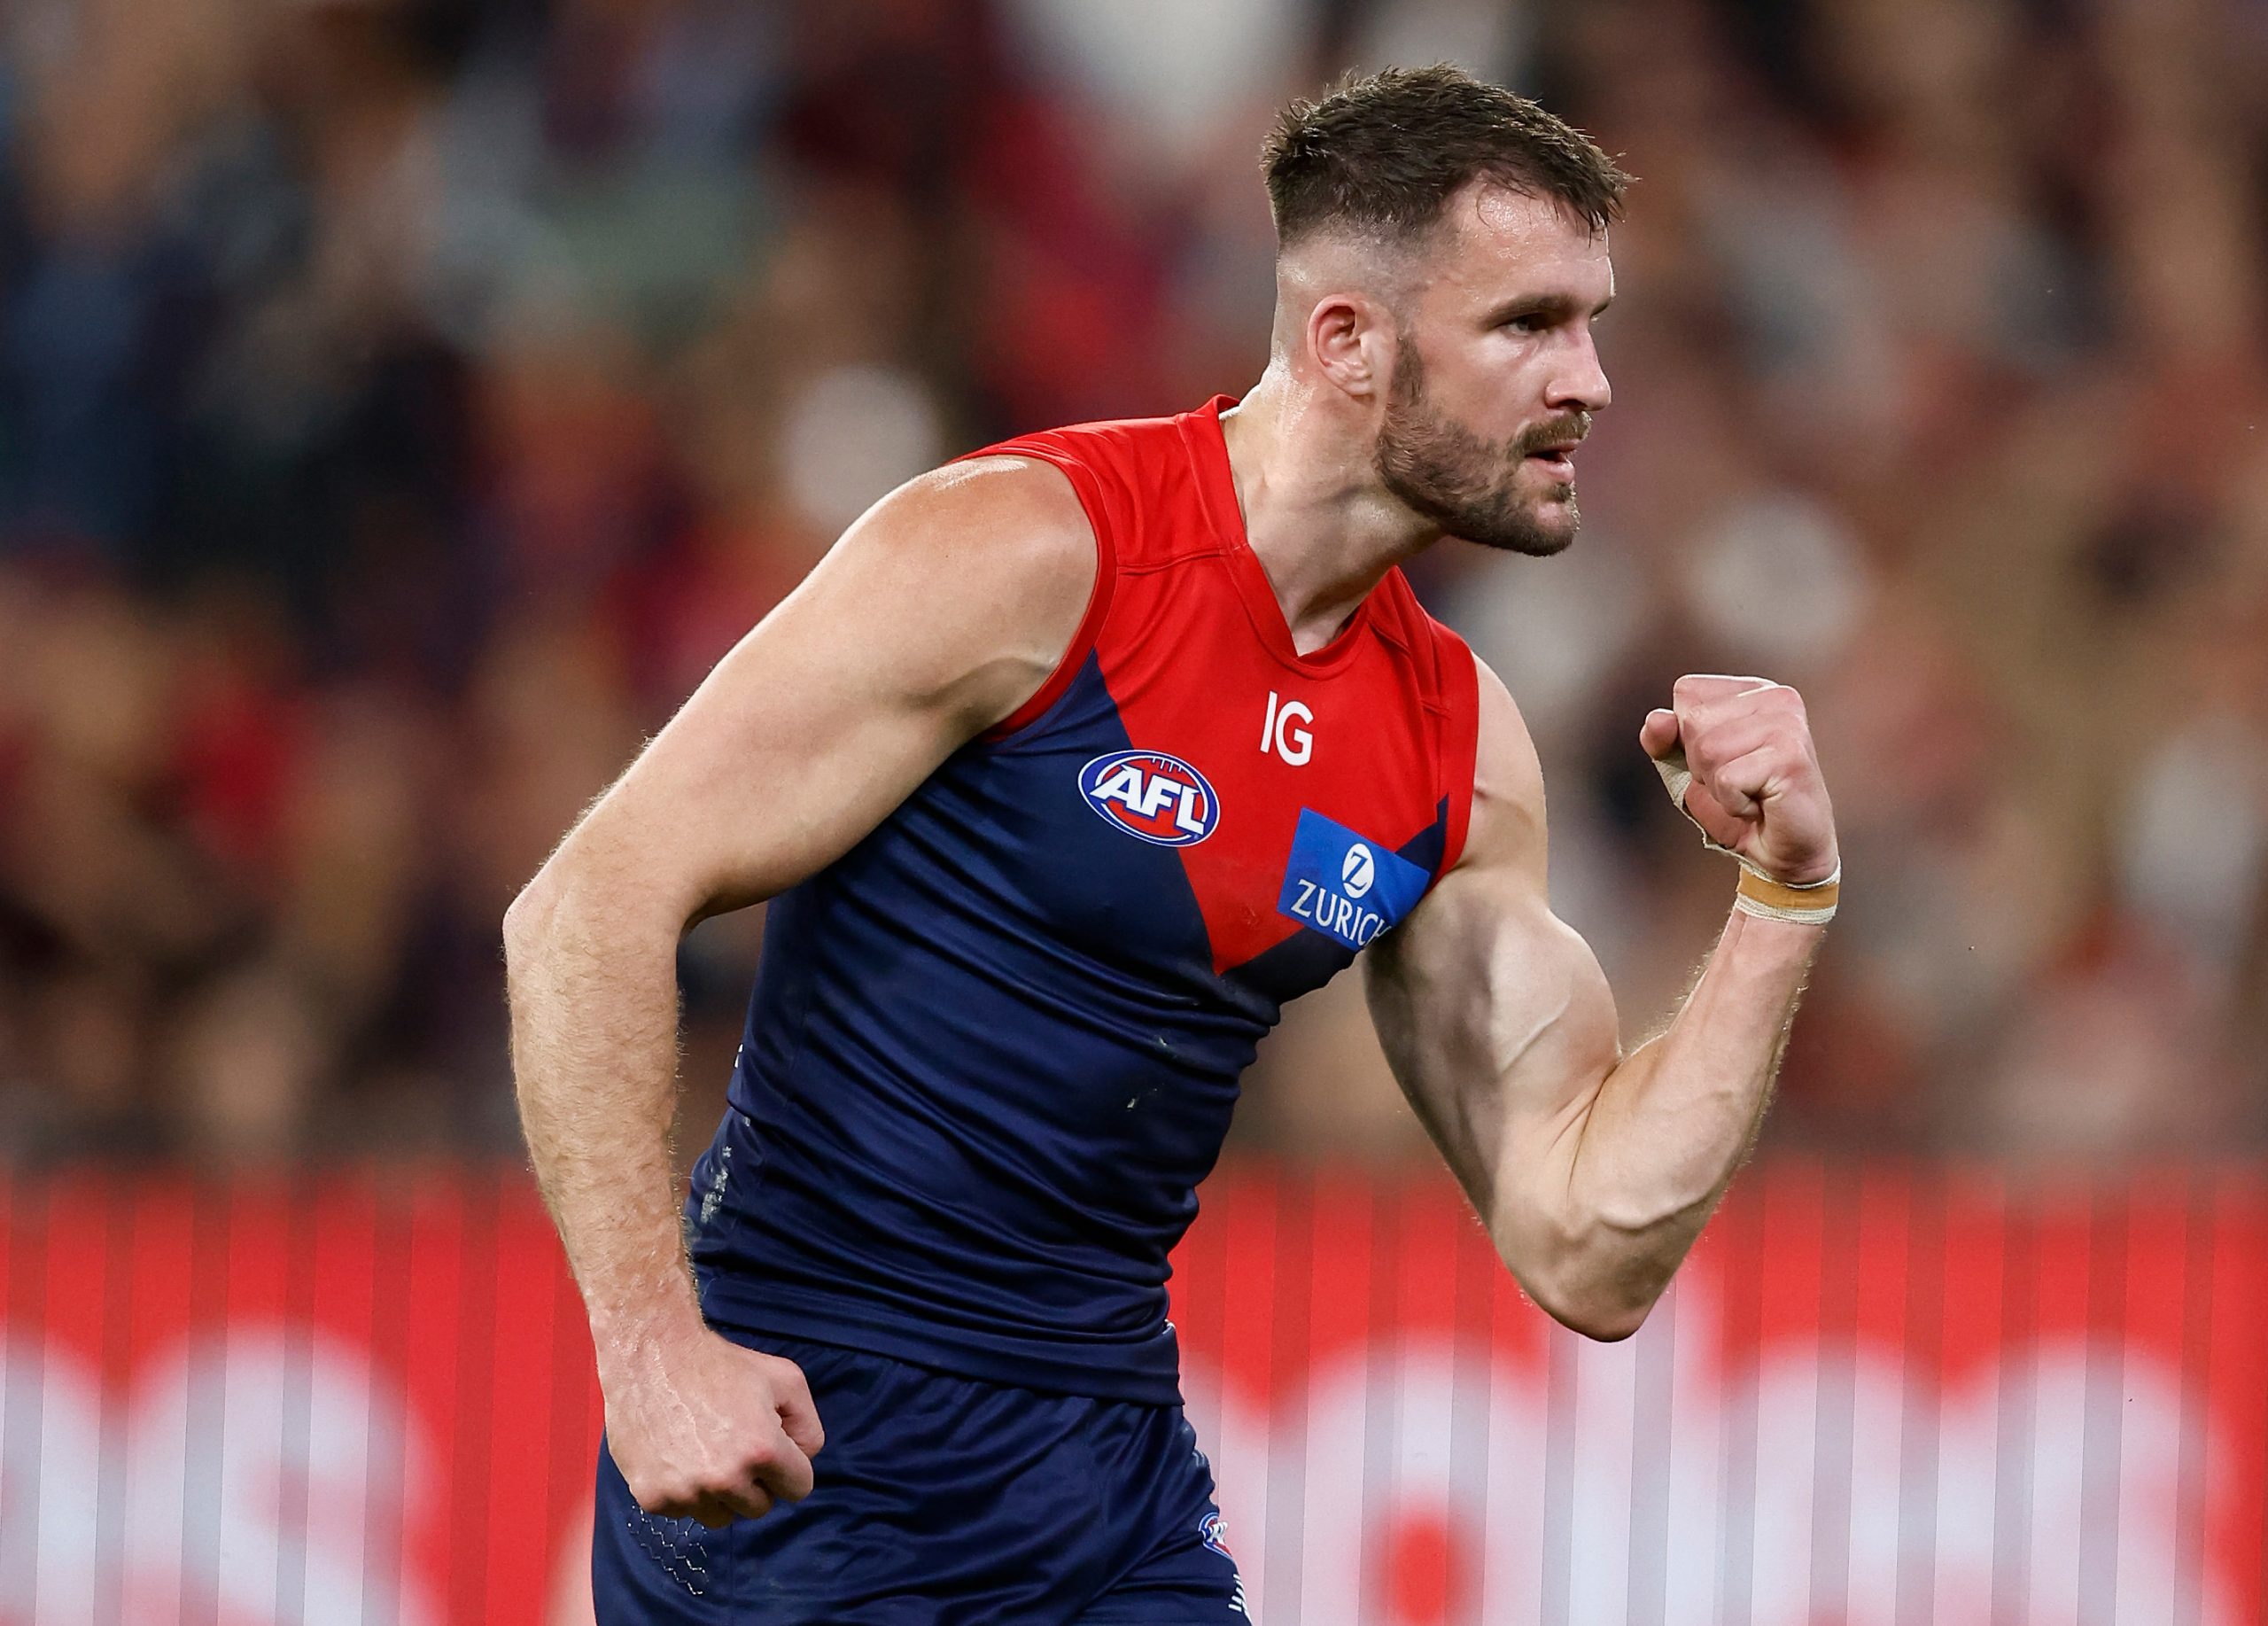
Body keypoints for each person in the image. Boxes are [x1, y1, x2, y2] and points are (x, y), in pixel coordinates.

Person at [505, 63, 1838, 1625]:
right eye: (1530, 323)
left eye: (1592, 322)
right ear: (1347, 341)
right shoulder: (1027, 552)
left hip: (1105, 1485)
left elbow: (1587, 1245)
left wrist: (1782, 898)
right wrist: (653, 1352)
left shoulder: (1455, 748)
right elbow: (584, 908)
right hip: (801, 1457)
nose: (1591, 380)